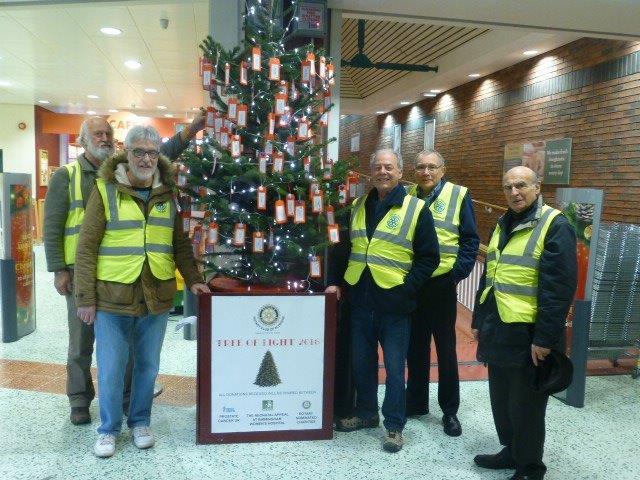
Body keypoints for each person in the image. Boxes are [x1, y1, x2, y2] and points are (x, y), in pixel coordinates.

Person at [44, 112, 205, 425]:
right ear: (82, 141)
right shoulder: (70, 175)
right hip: (79, 270)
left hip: (123, 274)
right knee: (81, 342)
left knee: (123, 349)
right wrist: (59, 270)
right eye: (97, 134)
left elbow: (159, 153)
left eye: (107, 133)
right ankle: (79, 400)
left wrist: (190, 132)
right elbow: (53, 225)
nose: (104, 138)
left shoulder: (128, 166)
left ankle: (129, 400)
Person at [326, 149, 440, 453]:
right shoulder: (358, 205)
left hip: (395, 304)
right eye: (377, 167)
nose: (383, 172)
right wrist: (336, 282)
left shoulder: (416, 209)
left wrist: (407, 289)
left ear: (400, 172)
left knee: (392, 368)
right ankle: (366, 414)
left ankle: (394, 426)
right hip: (360, 300)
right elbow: (342, 249)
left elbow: (429, 258)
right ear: (370, 174)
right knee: (361, 364)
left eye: (389, 167)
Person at [471, 166, 577, 480]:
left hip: (531, 334)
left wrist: (544, 338)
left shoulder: (555, 225)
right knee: (501, 399)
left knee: (526, 405)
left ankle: (531, 467)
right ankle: (511, 451)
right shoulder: (503, 223)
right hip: (499, 326)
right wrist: (479, 316)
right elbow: (491, 273)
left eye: (521, 186)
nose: (514, 193)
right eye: (508, 187)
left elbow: (558, 288)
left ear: (536, 186)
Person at [405, 149, 479, 436]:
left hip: (442, 285)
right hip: (415, 283)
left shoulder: (459, 195)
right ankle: (417, 403)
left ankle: (450, 411)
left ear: (442, 170)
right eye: (421, 167)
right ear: (414, 170)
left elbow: (470, 239)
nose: (426, 172)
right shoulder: (408, 195)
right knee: (416, 347)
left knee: (446, 350)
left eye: (432, 167)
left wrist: (456, 274)